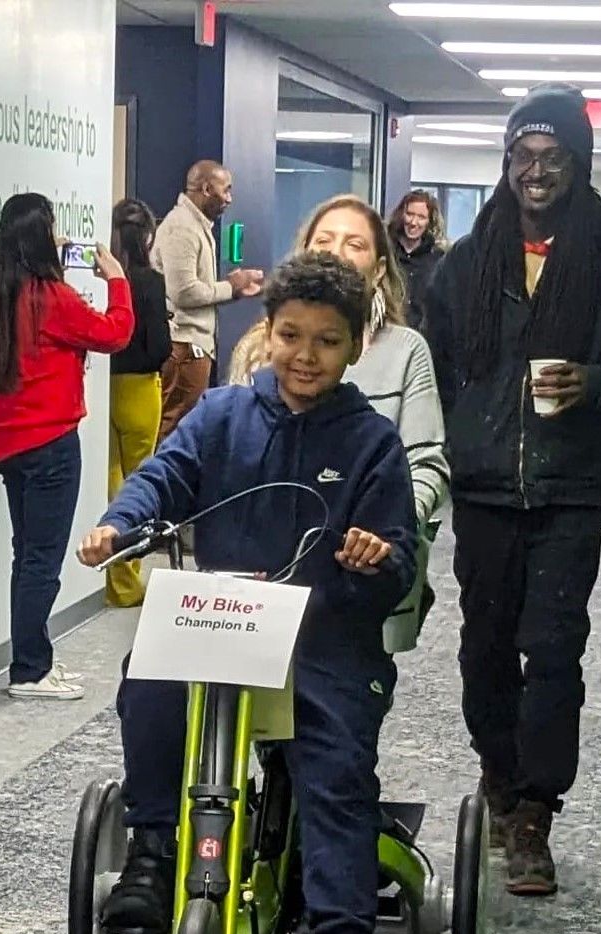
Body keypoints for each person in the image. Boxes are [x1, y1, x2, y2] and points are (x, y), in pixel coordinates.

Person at [79, 254, 418, 934]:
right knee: (151, 681)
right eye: (290, 335)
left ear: (355, 346)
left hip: (324, 641)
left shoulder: (371, 442)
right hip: (223, 625)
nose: (305, 356)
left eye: (327, 342)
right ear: (267, 331)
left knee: (334, 771)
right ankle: (156, 850)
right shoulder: (224, 415)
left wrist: (379, 555)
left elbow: (400, 555)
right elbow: (163, 478)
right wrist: (119, 523)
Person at [424, 83, 601, 895]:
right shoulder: (467, 262)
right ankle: (500, 778)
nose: (535, 171)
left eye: (551, 157)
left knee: (551, 650)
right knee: (484, 646)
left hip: (570, 487)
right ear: (507, 163)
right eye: (523, 156)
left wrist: (597, 383)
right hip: (482, 485)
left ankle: (536, 809)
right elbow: (435, 369)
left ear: (576, 165)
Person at [230, 194, 449, 652]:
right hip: (268, 570)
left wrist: (386, 527)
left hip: (363, 569)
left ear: (380, 268)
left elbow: (427, 463)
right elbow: (229, 450)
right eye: (324, 240)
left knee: (347, 701)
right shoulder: (259, 350)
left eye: (355, 244)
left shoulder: (406, 350)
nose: (337, 252)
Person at [0, 193, 134, 700]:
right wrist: (116, 279)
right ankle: (30, 669)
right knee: (43, 559)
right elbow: (115, 333)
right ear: (41, 239)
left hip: (8, 443)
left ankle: (31, 660)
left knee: (28, 556)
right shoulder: (51, 297)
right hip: (51, 443)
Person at [151, 160, 263, 440]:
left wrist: (233, 289)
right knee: (174, 431)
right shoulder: (183, 228)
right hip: (185, 348)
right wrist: (230, 287)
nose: (229, 198)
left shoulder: (195, 226)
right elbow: (184, 292)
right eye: (225, 190)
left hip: (193, 349)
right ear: (205, 188)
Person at [107, 198, 172, 607]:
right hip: (139, 389)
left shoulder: (104, 281)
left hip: (102, 389)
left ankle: (112, 584)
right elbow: (161, 346)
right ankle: (129, 585)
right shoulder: (149, 281)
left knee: (110, 483)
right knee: (136, 487)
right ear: (148, 235)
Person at [386, 189, 447, 332]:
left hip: (423, 339)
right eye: (410, 214)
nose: (414, 222)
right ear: (401, 215)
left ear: (429, 221)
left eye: (421, 217)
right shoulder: (385, 250)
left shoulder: (438, 259)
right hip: (388, 334)